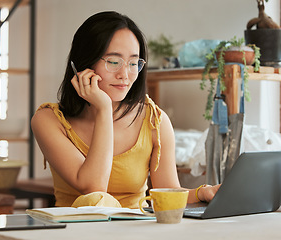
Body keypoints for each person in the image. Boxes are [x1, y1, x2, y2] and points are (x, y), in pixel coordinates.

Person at [31, 11, 220, 209]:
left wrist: (202, 192)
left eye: (133, 63)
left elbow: (168, 194)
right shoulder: (48, 120)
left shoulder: (155, 121)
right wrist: (104, 109)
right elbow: (93, 189)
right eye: (113, 62)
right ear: (83, 63)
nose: (125, 75)